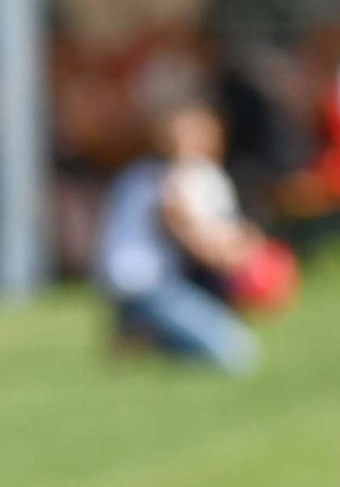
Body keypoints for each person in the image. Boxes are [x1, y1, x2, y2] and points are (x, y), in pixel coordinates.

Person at [92, 99, 272, 373]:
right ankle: (148, 335)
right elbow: (192, 236)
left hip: (128, 283)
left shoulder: (141, 173)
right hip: (147, 285)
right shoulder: (172, 181)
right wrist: (244, 256)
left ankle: (140, 334)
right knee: (236, 353)